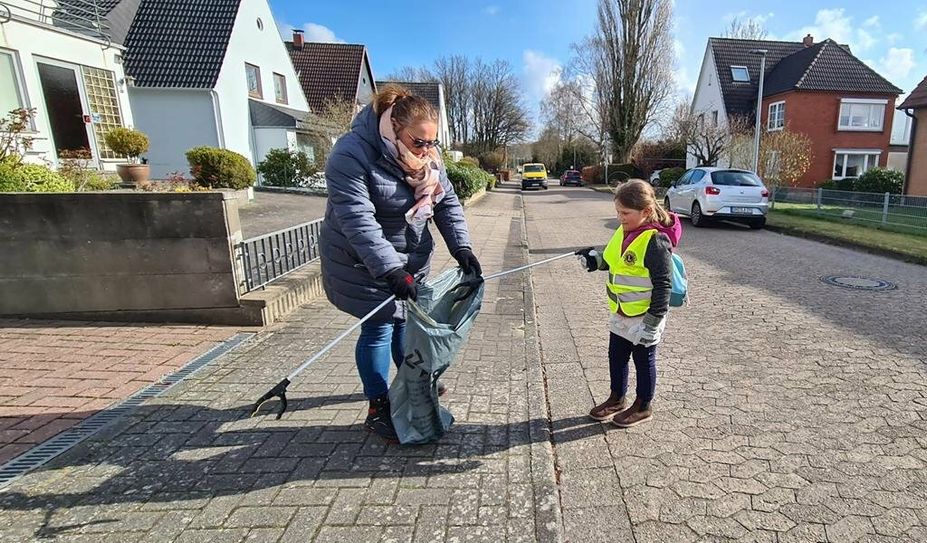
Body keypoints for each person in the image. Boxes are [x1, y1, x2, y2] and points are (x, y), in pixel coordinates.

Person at [319, 84, 482, 442]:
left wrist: (463, 250)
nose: (426, 150)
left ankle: (408, 383)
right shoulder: (352, 154)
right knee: (379, 327)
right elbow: (356, 218)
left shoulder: (430, 160)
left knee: (404, 325)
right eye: (418, 142)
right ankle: (378, 407)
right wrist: (389, 269)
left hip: (408, 259)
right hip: (359, 260)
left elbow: (447, 204)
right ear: (395, 129)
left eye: (431, 143)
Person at [575, 179, 681, 427]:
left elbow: (663, 285)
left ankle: (643, 406)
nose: (620, 217)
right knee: (616, 356)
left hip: (645, 315)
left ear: (645, 212)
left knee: (644, 361)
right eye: (617, 212)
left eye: (625, 213)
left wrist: (653, 323)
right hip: (621, 312)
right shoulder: (623, 232)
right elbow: (614, 261)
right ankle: (616, 399)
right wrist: (594, 261)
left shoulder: (655, 241)